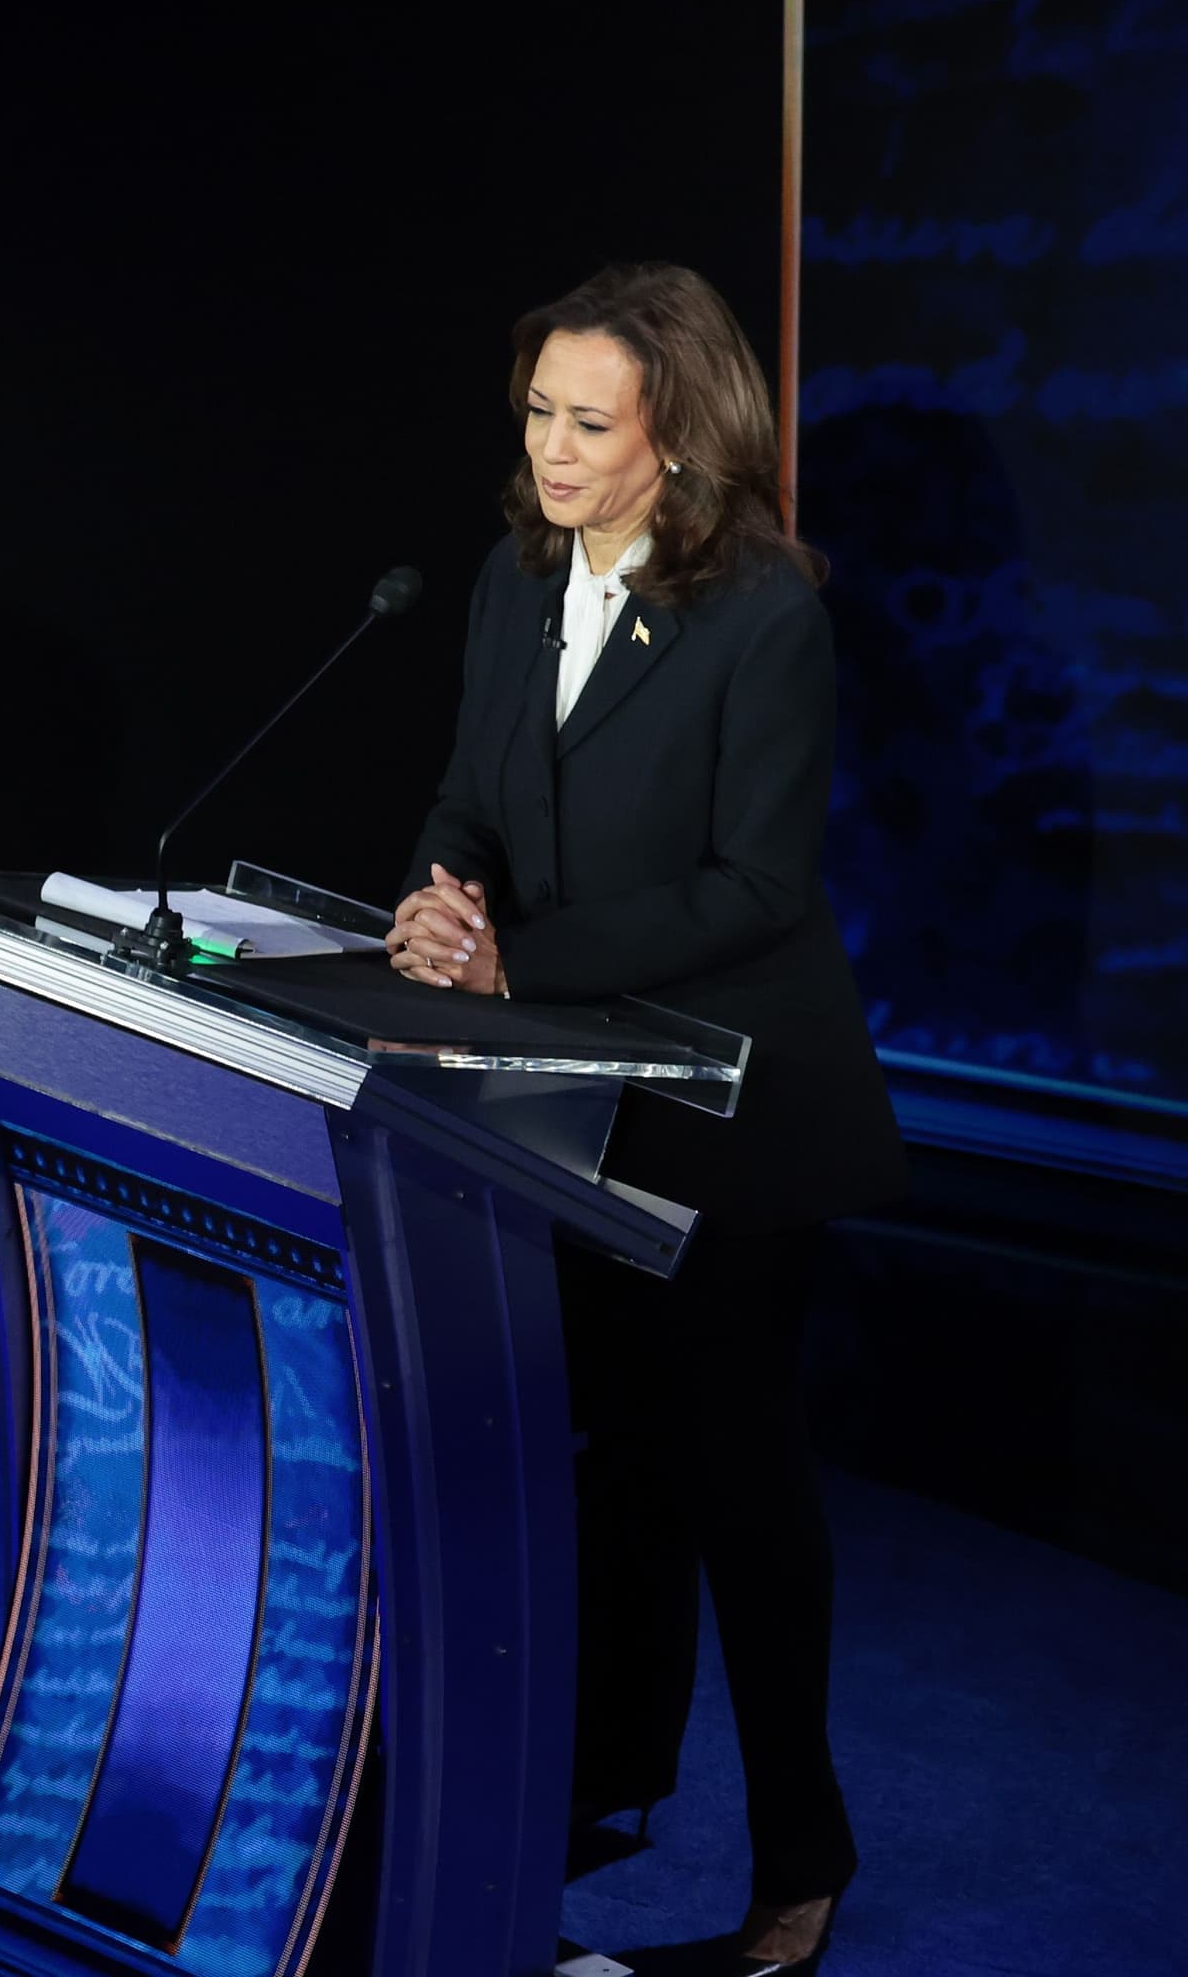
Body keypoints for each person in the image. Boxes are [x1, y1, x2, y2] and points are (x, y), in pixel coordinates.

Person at [387, 261, 902, 1975]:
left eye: (586, 421)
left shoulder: (767, 612)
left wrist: (510, 963)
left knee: (738, 1488)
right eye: (537, 410)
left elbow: (755, 887)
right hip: (569, 1103)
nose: (548, 446)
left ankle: (802, 1863)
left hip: (737, 1118)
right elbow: (470, 794)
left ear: (677, 438)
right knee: (601, 1476)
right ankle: (595, 1800)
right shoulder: (512, 581)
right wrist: (439, 904)